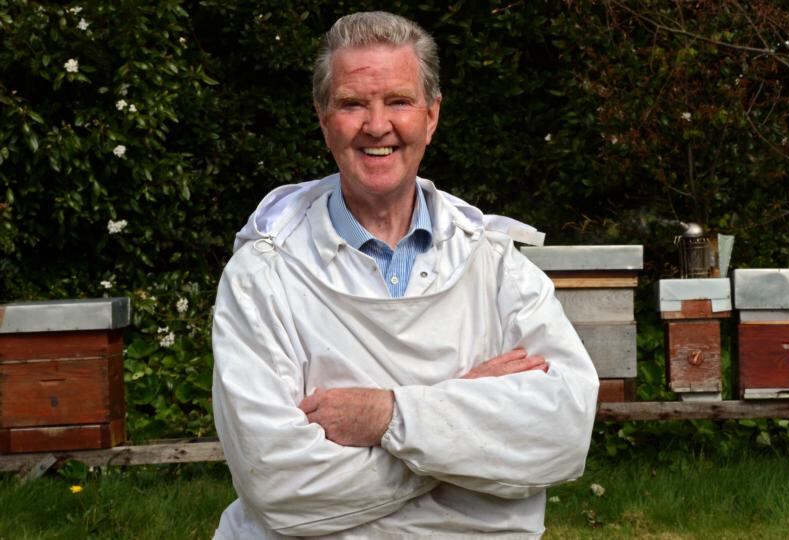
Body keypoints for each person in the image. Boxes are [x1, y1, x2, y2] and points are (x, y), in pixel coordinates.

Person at [211, 11, 599, 539]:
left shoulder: (495, 264)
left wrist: (387, 417)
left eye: (398, 101)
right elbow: (279, 483)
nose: (377, 125)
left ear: (431, 115)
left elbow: (564, 432)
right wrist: (465, 429)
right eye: (352, 104)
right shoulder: (264, 275)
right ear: (324, 119)